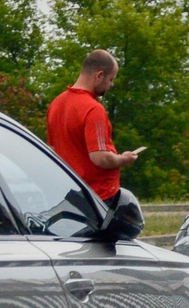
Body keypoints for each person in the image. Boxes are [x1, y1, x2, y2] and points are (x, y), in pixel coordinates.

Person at [45, 49, 141, 202]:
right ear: (99, 75)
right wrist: (123, 159)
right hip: (98, 196)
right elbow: (100, 157)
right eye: (110, 79)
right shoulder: (93, 109)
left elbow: (53, 150)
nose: (111, 85)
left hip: (69, 193)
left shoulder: (56, 104)